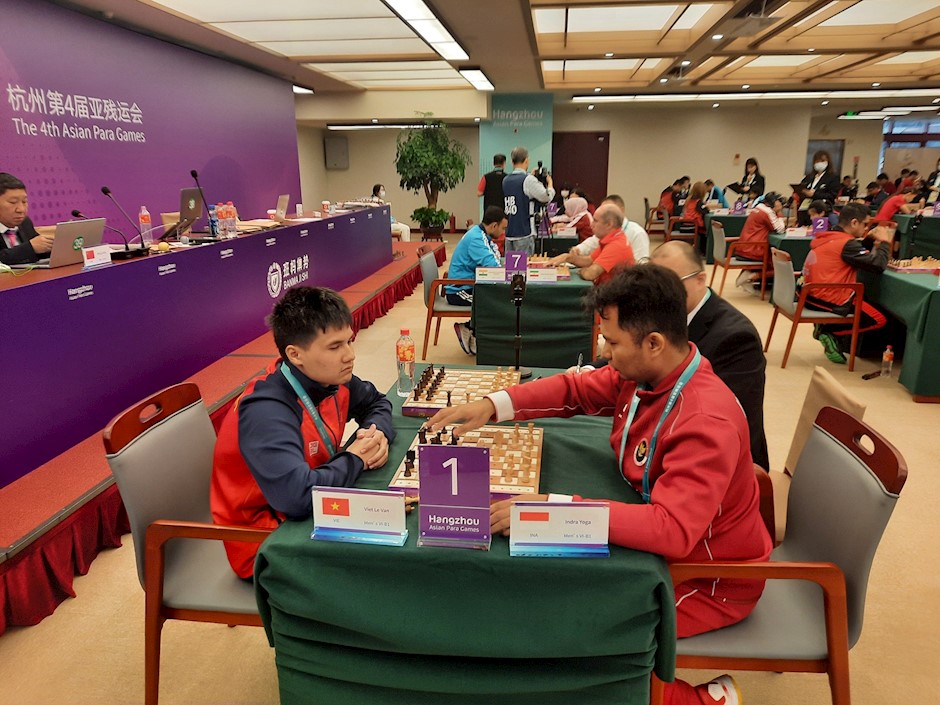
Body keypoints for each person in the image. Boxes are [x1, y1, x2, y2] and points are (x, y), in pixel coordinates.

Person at [428, 264, 772, 705]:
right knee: (556, 592)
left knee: (577, 621)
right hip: (669, 543)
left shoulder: (706, 420)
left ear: (653, 343)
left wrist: (555, 511)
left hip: (709, 579)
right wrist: (495, 404)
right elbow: (575, 389)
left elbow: (671, 530)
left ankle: (700, 700)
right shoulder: (649, 372)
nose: (604, 353)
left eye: (612, 342)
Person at [211, 286, 395, 578]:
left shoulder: (329, 378)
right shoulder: (266, 410)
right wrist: (356, 458)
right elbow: (296, 497)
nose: (350, 355)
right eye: (335, 347)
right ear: (295, 355)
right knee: (384, 568)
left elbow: (378, 402)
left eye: (349, 341)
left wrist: (376, 434)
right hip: (266, 541)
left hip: (312, 507)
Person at [801, 203, 890, 365]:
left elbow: (853, 254)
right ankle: (829, 332)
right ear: (854, 222)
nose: (866, 228)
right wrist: (885, 242)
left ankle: (826, 328)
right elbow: (878, 265)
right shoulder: (846, 244)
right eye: (865, 224)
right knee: (878, 319)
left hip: (809, 296)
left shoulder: (829, 236)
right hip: (829, 298)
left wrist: (868, 240)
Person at [448, 207, 507, 355]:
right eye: (503, 228)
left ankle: (474, 333)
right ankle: (468, 328)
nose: (503, 233)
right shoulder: (476, 238)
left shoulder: (482, 235)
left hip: (470, 285)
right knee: (491, 302)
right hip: (458, 290)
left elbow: (496, 258)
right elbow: (493, 265)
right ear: (494, 225)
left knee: (495, 297)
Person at [548, 203, 634, 285]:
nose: (591, 225)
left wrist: (582, 271)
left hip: (613, 293)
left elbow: (590, 274)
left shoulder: (616, 245)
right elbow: (589, 260)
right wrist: (567, 257)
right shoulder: (613, 238)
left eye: (595, 221)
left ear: (609, 224)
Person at [502, 146, 555, 254]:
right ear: (526, 160)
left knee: (511, 264)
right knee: (524, 264)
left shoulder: (506, 180)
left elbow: (520, 191)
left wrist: (531, 176)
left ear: (512, 162)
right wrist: (550, 183)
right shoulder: (528, 180)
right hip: (525, 232)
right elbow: (546, 197)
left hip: (509, 232)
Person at [732, 191, 785, 291]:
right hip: (753, 249)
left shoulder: (758, 208)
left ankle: (748, 276)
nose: (781, 203)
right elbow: (780, 229)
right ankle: (752, 276)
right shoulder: (767, 212)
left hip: (745, 247)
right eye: (778, 201)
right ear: (773, 202)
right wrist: (779, 214)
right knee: (778, 263)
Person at [0, 173, 54, 266]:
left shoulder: (25, 223)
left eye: (24, 202)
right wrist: (30, 247)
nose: (21, 209)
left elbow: (38, 252)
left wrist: (54, 248)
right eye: (13, 202)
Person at [796, 150, 840, 224]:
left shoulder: (833, 177)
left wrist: (814, 194)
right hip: (805, 210)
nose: (819, 163)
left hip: (821, 211)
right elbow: (802, 187)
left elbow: (831, 195)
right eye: (817, 161)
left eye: (822, 161)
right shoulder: (809, 177)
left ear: (828, 162)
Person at [681, 181, 709, 251]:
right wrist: (707, 207)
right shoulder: (698, 202)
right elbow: (705, 211)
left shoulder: (688, 200)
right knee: (706, 231)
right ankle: (703, 251)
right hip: (692, 226)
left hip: (684, 225)